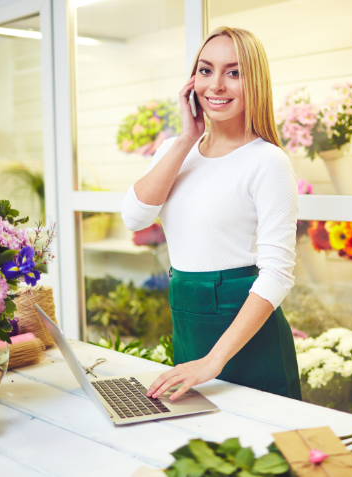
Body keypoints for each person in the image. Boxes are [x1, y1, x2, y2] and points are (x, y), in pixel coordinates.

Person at [121, 26, 301, 402]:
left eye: (233, 73)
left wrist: (214, 360)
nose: (216, 85)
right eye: (206, 70)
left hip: (245, 331)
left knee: (261, 451)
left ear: (255, 84)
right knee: (199, 443)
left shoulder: (267, 161)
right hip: (187, 320)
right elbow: (135, 218)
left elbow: (278, 275)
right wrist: (187, 138)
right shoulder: (175, 149)